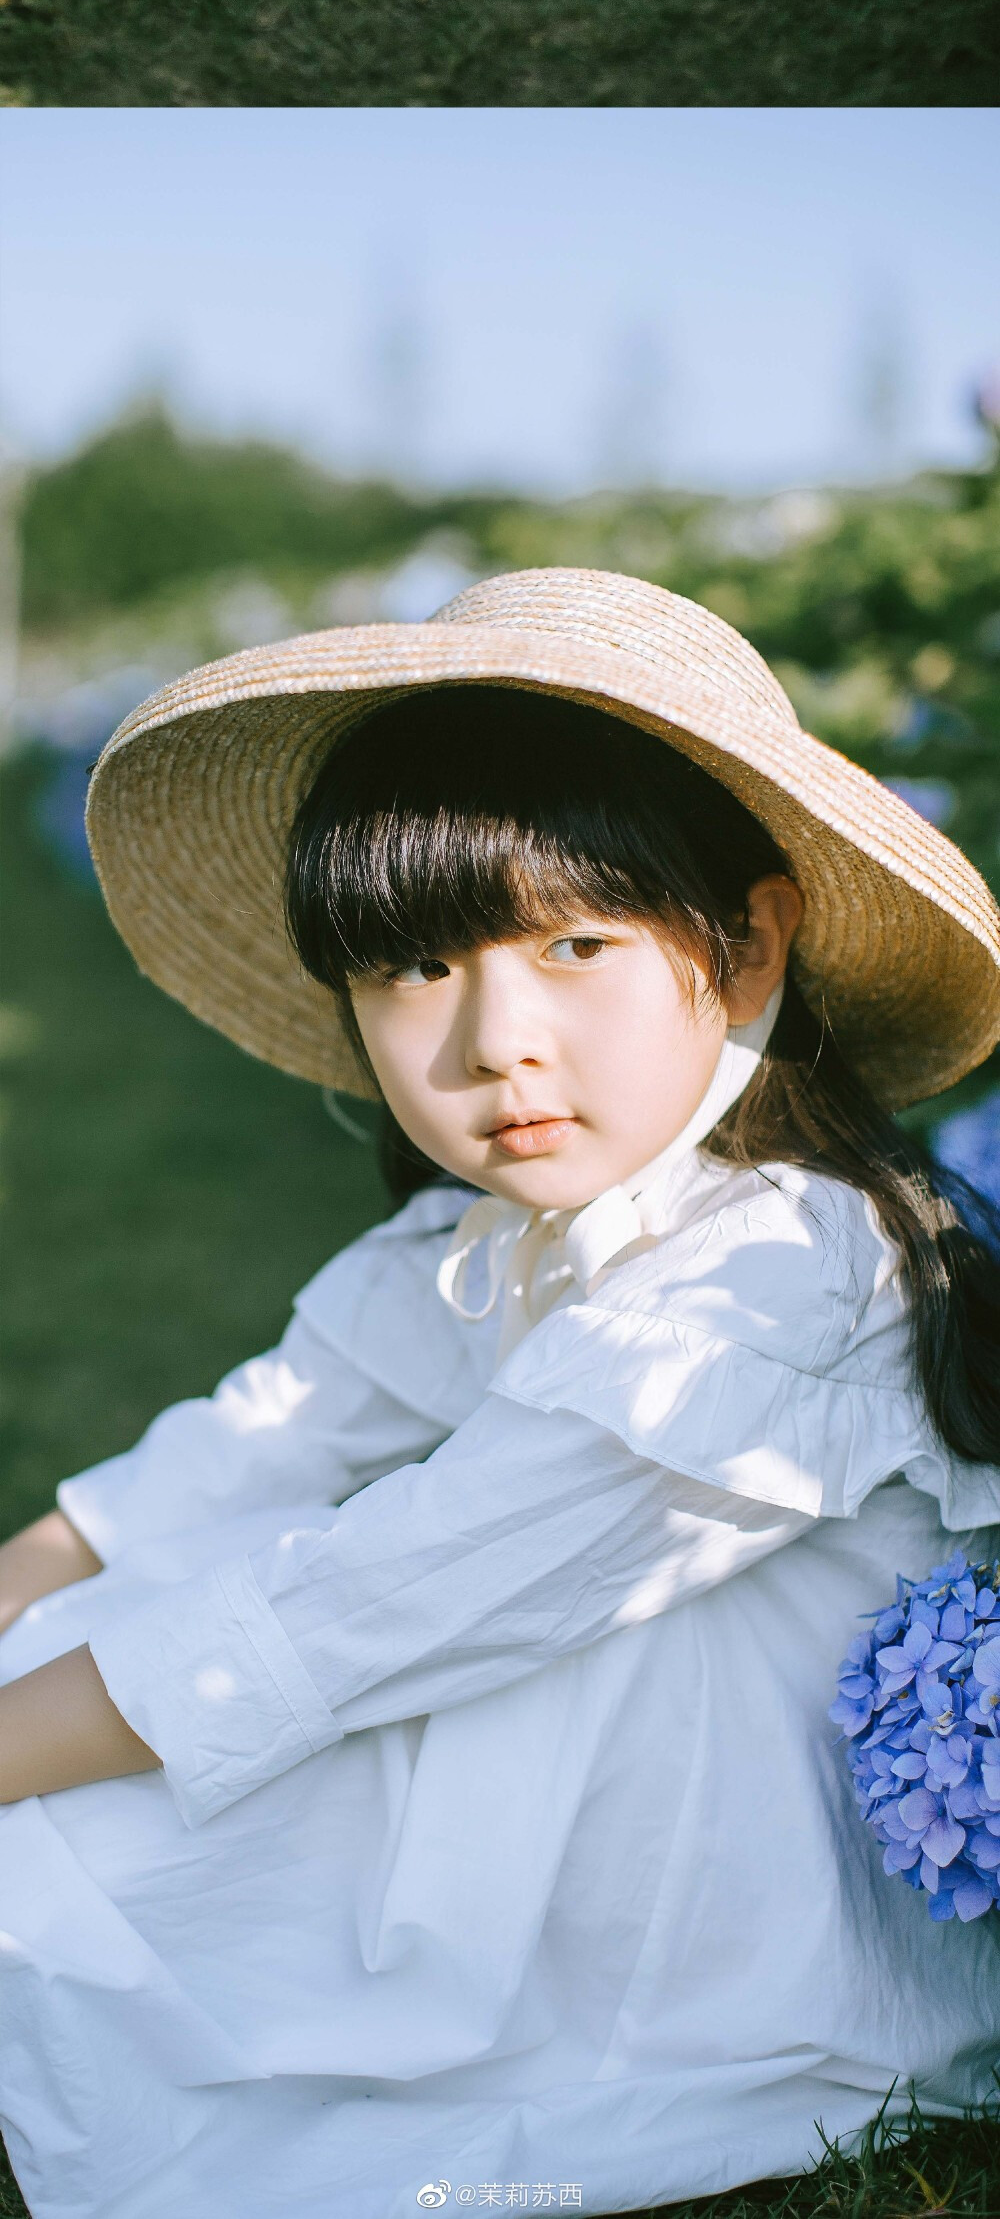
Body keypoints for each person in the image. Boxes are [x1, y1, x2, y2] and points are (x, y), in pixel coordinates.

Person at [1, 562, 998, 2219]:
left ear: (748, 944)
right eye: (412, 968)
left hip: (714, 1913)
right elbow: (230, 1452)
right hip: (534, 1765)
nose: (494, 1038)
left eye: (576, 941)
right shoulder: (490, 1240)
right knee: (82, 1670)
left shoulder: (779, 1273)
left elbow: (366, 1610)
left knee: (92, 1840)